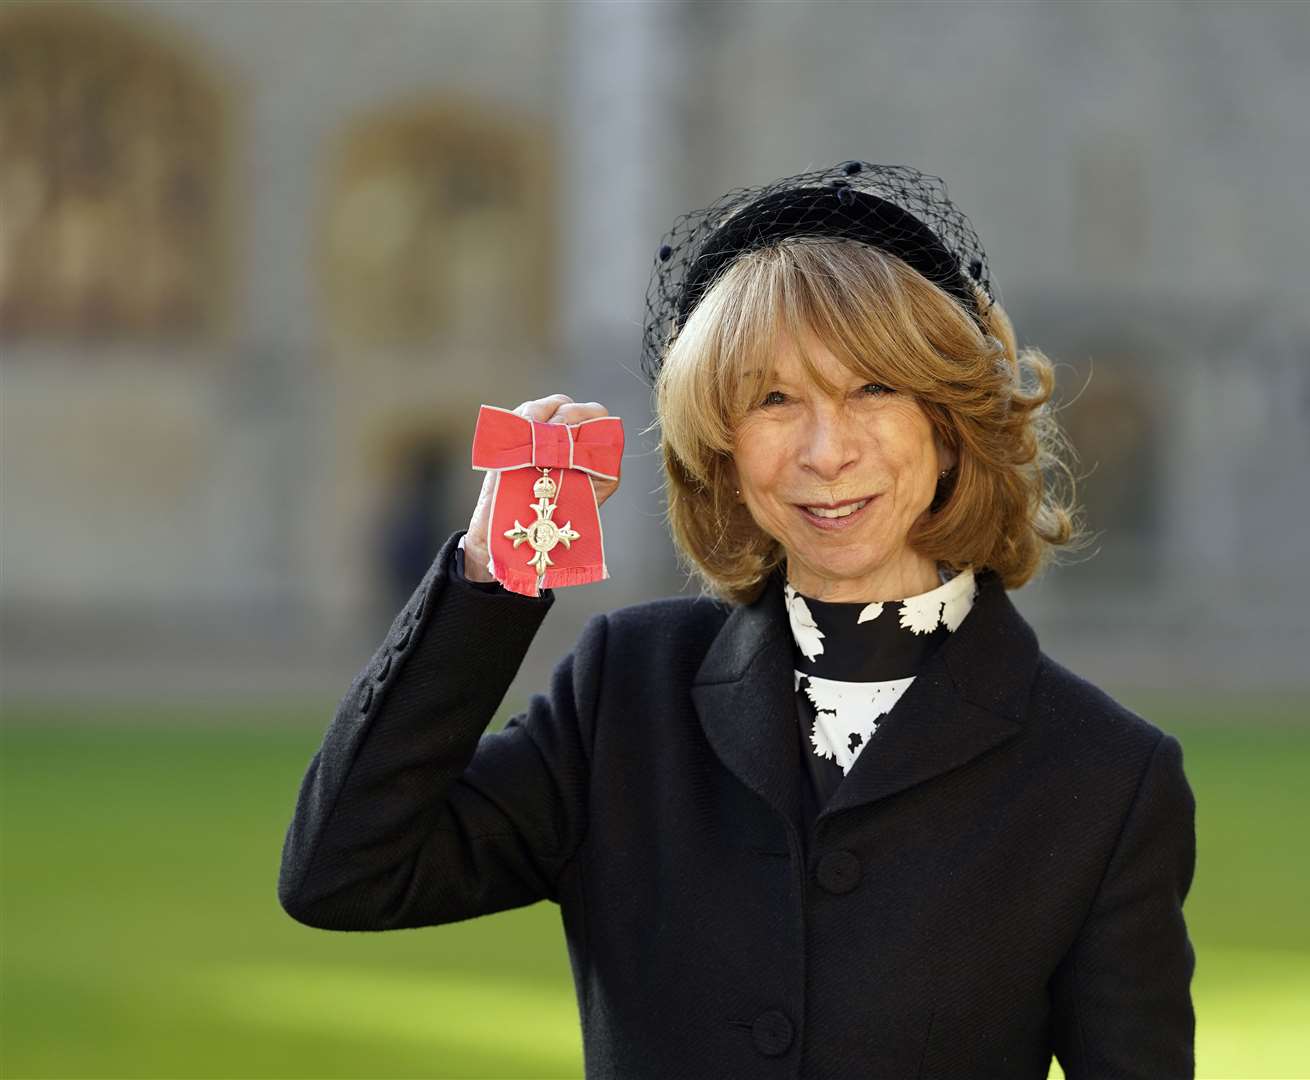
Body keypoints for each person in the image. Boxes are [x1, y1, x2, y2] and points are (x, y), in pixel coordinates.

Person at [278, 161, 1197, 1079]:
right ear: (720, 448)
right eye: (772, 400)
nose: (826, 453)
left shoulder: (1106, 776)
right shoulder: (625, 694)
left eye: (874, 389)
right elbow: (345, 872)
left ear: (952, 426)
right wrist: (491, 575)